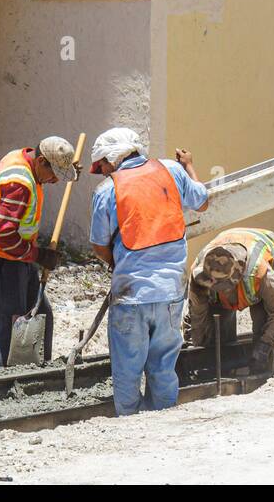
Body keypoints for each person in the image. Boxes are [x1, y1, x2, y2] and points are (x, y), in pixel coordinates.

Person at [89, 127, 209, 415]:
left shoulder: (107, 190)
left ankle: (130, 425)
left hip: (131, 295)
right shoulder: (171, 171)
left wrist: (120, 266)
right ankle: (163, 423)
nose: (103, 171)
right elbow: (203, 201)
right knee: (164, 367)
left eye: (102, 164)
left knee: (128, 372)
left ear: (112, 157)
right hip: (170, 293)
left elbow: (99, 245)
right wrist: (189, 166)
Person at [0, 136, 79, 368]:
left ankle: (33, 373)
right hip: (1, 259)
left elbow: (12, 233)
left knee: (41, 314)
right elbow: (3, 235)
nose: (54, 181)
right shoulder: (19, 184)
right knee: (8, 328)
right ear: (41, 161)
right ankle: (0, 380)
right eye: (54, 175)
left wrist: (68, 169)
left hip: (17, 256)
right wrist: (38, 255)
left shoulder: (21, 156)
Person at [187, 227, 274, 375]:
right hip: (232, 241)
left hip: (267, 249)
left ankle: (261, 373)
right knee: (216, 326)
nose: (219, 290)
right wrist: (198, 349)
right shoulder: (200, 272)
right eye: (214, 285)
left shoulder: (260, 273)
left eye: (224, 286)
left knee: (262, 320)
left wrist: (265, 344)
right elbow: (197, 313)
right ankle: (225, 369)